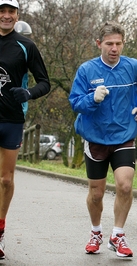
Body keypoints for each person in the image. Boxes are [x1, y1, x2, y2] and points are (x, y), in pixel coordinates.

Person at [69, 21, 137, 258]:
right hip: (95, 137)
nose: (114, 48)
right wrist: (92, 98)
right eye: (109, 43)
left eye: (118, 43)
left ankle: (118, 234)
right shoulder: (86, 70)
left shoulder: (134, 67)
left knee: (125, 185)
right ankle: (96, 231)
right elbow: (75, 102)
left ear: (123, 43)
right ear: (99, 44)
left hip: (124, 135)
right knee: (96, 193)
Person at [0, 0, 50, 259]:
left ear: (17, 15)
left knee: (6, 180)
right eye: (2, 11)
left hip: (11, 120)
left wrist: (28, 93)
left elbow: (45, 83)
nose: (6, 16)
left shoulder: (26, 45)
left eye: (11, 11)